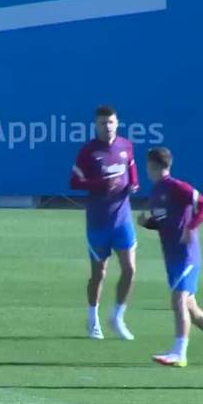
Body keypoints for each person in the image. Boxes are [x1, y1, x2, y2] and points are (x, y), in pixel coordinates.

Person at [138, 147, 203, 367]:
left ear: (152, 166)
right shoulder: (156, 192)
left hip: (186, 255)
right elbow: (165, 224)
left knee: (178, 300)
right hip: (171, 255)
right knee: (191, 307)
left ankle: (180, 352)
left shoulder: (177, 187)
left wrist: (191, 227)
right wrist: (148, 223)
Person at [69, 105, 138, 341]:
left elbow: (131, 171)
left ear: (117, 123)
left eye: (110, 122)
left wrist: (133, 185)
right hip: (98, 221)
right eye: (102, 123)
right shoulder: (88, 152)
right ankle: (93, 319)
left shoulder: (125, 146)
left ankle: (117, 317)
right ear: (95, 125)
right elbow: (74, 182)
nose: (106, 127)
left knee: (130, 269)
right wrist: (99, 184)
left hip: (123, 219)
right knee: (99, 274)